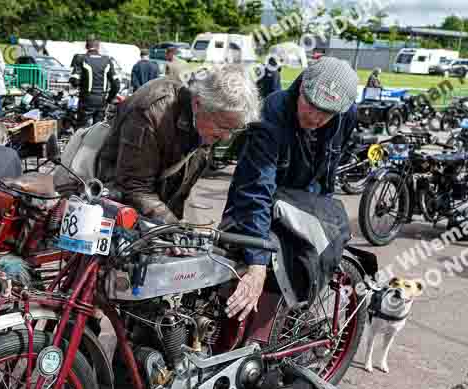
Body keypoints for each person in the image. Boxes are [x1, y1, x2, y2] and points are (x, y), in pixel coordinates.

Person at [220, 57, 359, 320]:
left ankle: (299, 323)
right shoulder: (272, 111)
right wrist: (257, 262)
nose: (315, 117)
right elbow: (256, 188)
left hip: (308, 198)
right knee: (235, 266)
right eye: (310, 105)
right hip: (268, 196)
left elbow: (329, 170)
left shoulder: (347, 115)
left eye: (326, 112)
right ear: (301, 88)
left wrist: (324, 218)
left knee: (311, 263)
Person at [97, 64, 259, 224]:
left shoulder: (208, 118)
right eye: (222, 127)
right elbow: (134, 187)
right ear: (197, 103)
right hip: (110, 206)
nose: (225, 137)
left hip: (150, 212)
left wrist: (175, 228)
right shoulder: (152, 111)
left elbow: (179, 189)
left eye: (233, 130)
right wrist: (173, 229)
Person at [69, 37, 120, 128]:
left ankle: (81, 141)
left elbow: (74, 80)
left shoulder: (81, 58)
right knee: (99, 129)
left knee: (81, 129)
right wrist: (109, 99)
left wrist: (79, 85)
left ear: (86, 46)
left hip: (86, 99)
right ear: (98, 47)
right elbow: (116, 84)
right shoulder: (107, 60)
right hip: (101, 100)